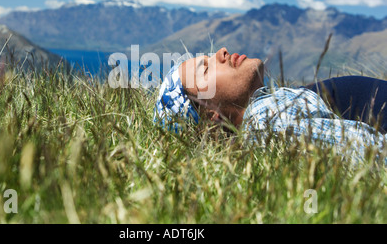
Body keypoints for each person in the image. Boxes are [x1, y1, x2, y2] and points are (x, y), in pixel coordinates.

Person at [154, 47, 386, 161]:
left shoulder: (267, 109)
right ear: (211, 116)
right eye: (205, 69)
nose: (221, 52)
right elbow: (374, 154)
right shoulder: (269, 126)